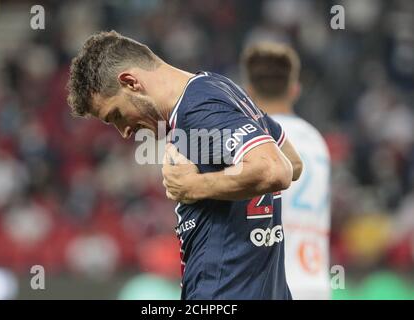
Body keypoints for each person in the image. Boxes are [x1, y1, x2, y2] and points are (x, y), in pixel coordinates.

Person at [66, 30, 303, 299]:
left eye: (116, 115)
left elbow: (276, 170)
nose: (123, 132)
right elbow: (293, 162)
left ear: (131, 82)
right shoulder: (217, 87)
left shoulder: (199, 108)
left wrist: (195, 186)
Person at [241, 42, 331, 299]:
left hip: (269, 286)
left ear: (248, 92)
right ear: (295, 89)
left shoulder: (254, 139)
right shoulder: (316, 141)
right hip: (315, 284)